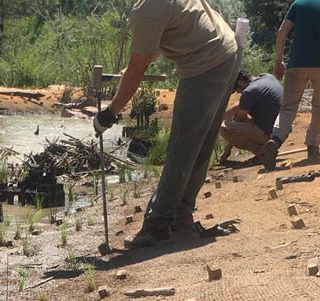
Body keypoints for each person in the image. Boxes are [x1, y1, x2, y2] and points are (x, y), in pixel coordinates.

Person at [94, 0, 240, 247]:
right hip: (228, 52)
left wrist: (109, 114)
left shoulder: (146, 9)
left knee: (181, 148)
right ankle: (181, 219)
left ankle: (157, 225)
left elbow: (138, 71)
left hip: (206, 64)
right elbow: (158, 44)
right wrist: (134, 66)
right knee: (200, 144)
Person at [262, 0, 320, 171]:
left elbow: (282, 31)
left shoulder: (299, 3)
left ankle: (276, 139)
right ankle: (313, 148)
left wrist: (278, 60)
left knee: (288, 107)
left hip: (297, 63)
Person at [219, 70, 283, 163]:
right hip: (281, 133)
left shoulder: (248, 92)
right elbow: (239, 106)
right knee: (238, 114)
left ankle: (262, 151)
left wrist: (227, 151)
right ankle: (266, 149)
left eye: (237, 89)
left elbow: (238, 122)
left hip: (268, 135)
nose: (238, 92)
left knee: (224, 128)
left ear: (240, 82)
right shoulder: (267, 77)